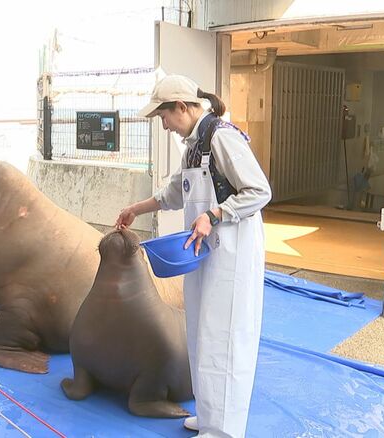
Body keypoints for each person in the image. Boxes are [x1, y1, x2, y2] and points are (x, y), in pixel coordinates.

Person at [115, 74, 271, 437]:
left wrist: (214, 215)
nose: (164, 125)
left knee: (225, 336)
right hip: (203, 253)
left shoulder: (223, 138)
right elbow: (173, 193)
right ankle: (209, 414)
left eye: (164, 116)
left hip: (232, 254)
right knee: (201, 332)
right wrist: (135, 209)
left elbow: (258, 191)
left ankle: (224, 429)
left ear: (182, 107)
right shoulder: (193, 146)